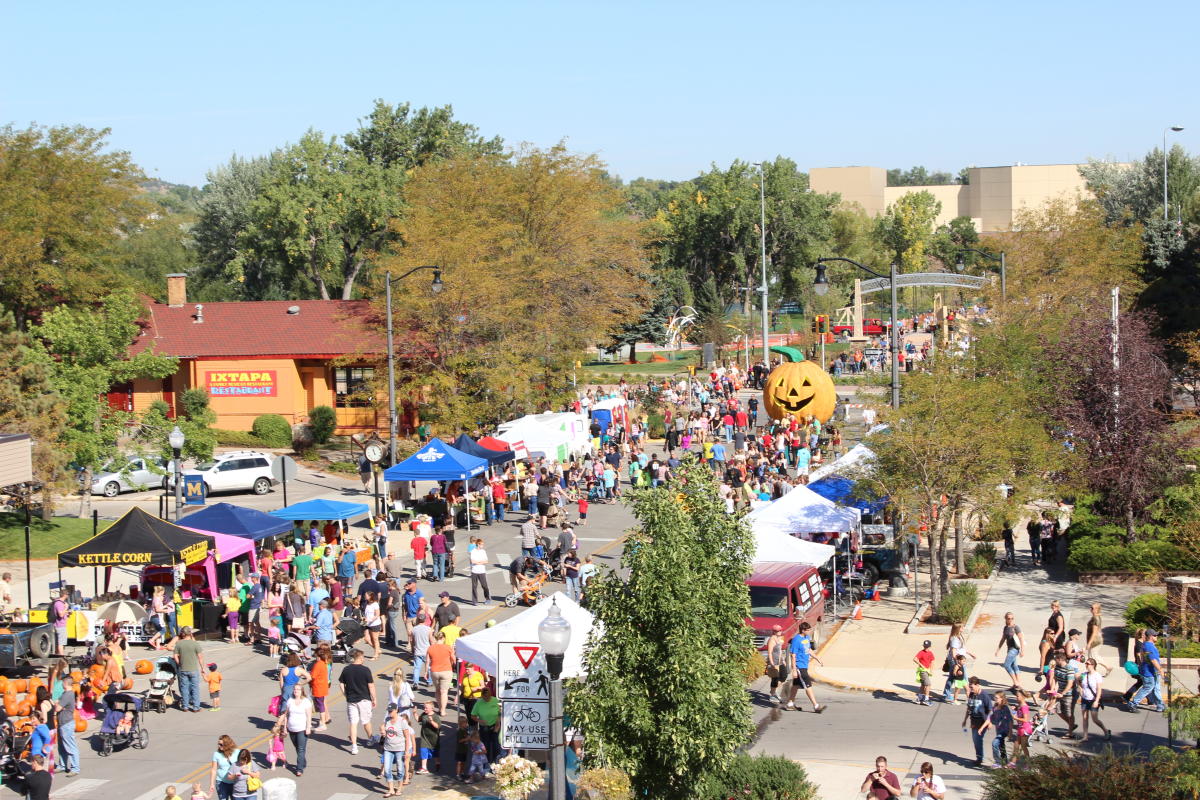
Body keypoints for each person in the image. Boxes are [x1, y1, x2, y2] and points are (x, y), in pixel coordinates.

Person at [340, 648, 376, 754]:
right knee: (366, 721)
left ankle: (354, 746)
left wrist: (345, 694)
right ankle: (370, 738)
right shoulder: (365, 670)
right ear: (359, 658)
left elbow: (341, 683)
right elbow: (371, 686)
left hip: (351, 700)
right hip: (364, 699)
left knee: (353, 723)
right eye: (363, 657)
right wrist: (374, 698)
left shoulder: (346, 669)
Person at [785, 621, 824, 713]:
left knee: (796, 685)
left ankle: (790, 704)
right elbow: (793, 655)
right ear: (803, 630)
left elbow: (809, 649)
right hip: (799, 666)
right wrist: (794, 670)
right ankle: (816, 706)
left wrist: (817, 658)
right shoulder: (796, 640)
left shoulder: (807, 637)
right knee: (808, 685)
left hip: (804, 665)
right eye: (808, 630)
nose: (810, 631)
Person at [1127, 628, 1166, 713]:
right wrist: (1161, 670)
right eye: (1155, 635)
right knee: (1147, 688)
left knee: (1156, 688)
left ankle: (1160, 705)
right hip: (1149, 672)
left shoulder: (1148, 645)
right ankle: (1133, 703)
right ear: (1151, 636)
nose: (1157, 637)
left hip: (1152, 671)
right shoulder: (1148, 646)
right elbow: (1153, 660)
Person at [278, 684, 313, 776]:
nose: (296, 691)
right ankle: (303, 762)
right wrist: (285, 727)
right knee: (297, 747)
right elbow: (286, 715)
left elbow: (309, 716)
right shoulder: (290, 701)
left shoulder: (306, 702)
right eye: (295, 689)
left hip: (302, 728)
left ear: (302, 691)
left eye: (298, 689)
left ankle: (299, 769)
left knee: (301, 749)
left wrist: (308, 727)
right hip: (292, 728)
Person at [380, 703, 414, 797]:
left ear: (396, 710)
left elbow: (407, 737)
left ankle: (399, 788)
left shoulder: (402, 721)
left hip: (399, 749)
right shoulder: (387, 720)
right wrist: (383, 731)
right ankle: (391, 789)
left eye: (391, 711)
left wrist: (407, 751)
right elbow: (382, 727)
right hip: (388, 748)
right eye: (388, 711)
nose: (389, 712)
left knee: (399, 769)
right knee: (387, 769)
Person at [962, 677, 993, 767]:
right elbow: (969, 708)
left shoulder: (985, 695)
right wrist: (965, 720)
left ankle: (979, 758)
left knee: (977, 739)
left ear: (978, 685)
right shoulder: (972, 695)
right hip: (974, 721)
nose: (971, 689)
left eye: (972, 687)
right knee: (975, 740)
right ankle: (979, 757)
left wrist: (989, 722)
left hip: (982, 721)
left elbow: (990, 710)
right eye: (970, 687)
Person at [1079, 657, 1111, 742]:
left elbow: (1099, 689)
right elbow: (1079, 682)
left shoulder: (1097, 675)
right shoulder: (1084, 674)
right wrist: (1080, 690)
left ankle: (1106, 731)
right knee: (1085, 718)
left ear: (1093, 665)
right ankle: (1085, 736)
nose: (1086, 665)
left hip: (1093, 699)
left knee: (1095, 719)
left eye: (1088, 664)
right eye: (1086, 663)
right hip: (1085, 699)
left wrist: (1097, 701)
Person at [977, 691, 1012, 768]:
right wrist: (981, 728)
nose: (995, 699)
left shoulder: (1005, 708)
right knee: (1001, 745)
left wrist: (1010, 732)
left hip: (1004, 730)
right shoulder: (994, 708)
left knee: (995, 743)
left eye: (996, 698)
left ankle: (998, 762)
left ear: (1002, 699)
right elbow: (989, 718)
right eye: (994, 697)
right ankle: (1005, 762)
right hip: (998, 730)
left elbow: (1010, 720)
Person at [54, 674, 79, 776]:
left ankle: (75, 768)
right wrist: (59, 705)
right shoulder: (66, 693)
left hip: (66, 724)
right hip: (62, 723)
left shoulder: (68, 694)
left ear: (65, 683)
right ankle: (62, 765)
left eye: (62, 682)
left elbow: (57, 708)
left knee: (70, 745)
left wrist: (57, 704)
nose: (61, 684)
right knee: (62, 746)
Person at [1049, 649, 1078, 738]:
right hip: (1060, 692)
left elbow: (1070, 684)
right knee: (1058, 710)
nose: (1055, 661)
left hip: (1070, 694)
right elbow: (1055, 678)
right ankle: (1071, 725)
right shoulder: (1057, 667)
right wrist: (1053, 689)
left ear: (1061, 659)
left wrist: (1063, 693)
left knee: (1069, 713)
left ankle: (1070, 733)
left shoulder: (1070, 669)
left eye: (1056, 659)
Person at [994, 611, 1025, 690]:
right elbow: (1003, 639)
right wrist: (998, 649)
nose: (1010, 620)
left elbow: (1021, 638)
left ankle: (1016, 682)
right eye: (1008, 618)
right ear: (1005, 619)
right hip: (1009, 649)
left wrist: (1022, 650)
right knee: (1014, 666)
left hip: (1015, 649)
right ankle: (1017, 684)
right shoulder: (1006, 628)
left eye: (1012, 618)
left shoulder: (1016, 628)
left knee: (1007, 665)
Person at [471, 686, 501, 764]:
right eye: (484, 697)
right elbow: (473, 715)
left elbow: (501, 712)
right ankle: (486, 762)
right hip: (484, 727)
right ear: (482, 696)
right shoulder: (479, 703)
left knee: (496, 745)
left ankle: (496, 762)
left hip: (495, 726)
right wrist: (479, 720)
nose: (486, 699)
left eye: (488, 697)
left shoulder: (496, 701)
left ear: (490, 695)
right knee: (485, 745)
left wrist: (498, 720)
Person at [428, 632, 455, 715]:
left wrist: (426, 671)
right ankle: (443, 710)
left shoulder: (430, 648)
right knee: (444, 692)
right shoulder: (448, 647)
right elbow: (453, 659)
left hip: (435, 671)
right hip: (446, 670)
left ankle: (439, 707)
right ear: (443, 638)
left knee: (437, 690)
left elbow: (427, 661)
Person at [310, 642, 333, 731]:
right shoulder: (328, 659)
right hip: (327, 681)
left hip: (323, 681)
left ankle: (325, 718)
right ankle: (326, 716)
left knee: (322, 701)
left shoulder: (324, 662)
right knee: (323, 700)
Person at [208, 735, 238, 800]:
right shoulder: (216, 754)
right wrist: (212, 784)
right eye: (218, 744)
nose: (219, 746)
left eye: (221, 744)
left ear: (227, 744)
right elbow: (214, 770)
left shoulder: (237, 752)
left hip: (235, 782)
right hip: (221, 782)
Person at [764, 625, 789, 705]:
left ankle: (773, 691)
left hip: (780, 661)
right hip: (774, 661)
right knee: (775, 678)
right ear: (774, 632)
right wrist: (771, 663)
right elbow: (770, 652)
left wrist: (783, 660)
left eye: (781, 630)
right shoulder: (772, 640)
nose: (780, 632)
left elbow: (780, 651)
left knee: (784, 675)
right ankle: (772, 695)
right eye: (779, 631)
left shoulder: (779, 639)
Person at [417, 701, 441, 774]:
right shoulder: (424, 714)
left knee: (434, 753)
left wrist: (432, 721)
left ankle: (437, 763)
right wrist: (415, 713)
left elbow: (438, 726)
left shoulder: (435, 716)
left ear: (432, 708)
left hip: (433, 739)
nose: (424, 709)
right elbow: (419, 720)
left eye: (426, 708)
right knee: (423, 750)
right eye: (424, 707)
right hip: (424, 737)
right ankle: (424, 768)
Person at [913, 640, 935, 705]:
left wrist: (931, 670)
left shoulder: (930, 653)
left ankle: (919, 698)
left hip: (927, 671)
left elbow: (932, 661)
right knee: (928, 684)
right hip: (922, 671)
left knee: (923, 685)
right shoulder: (921, 652)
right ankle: (926, 699)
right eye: (925, 647)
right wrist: (921, 664)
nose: (926, 648)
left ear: (930, 647)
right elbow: (914, 659)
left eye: (927, 647)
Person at [469, 540, 491, 605]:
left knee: (484, 586)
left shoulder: (483, 551)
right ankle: (475, 601)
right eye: (481, 544)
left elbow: (486, 561)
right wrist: (480, 562)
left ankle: (488, 598)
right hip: (474, 571)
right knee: (474, 586)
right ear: (478, 544)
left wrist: (478, 562)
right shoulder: (473, 551)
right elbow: (472, 561)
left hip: (482, 571)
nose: (482, 546)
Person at [50, 588, 69, 657]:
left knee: (58, 643)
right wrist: (66, 608)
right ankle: (61, 658)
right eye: (67, 595)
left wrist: (67, 613)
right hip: (60, 626)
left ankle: (57, 657)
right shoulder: (59, 603)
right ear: (65, 595)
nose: (68, 596)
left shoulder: (57, 603)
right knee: (61, 643)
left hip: (58, 625)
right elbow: (60, 614)